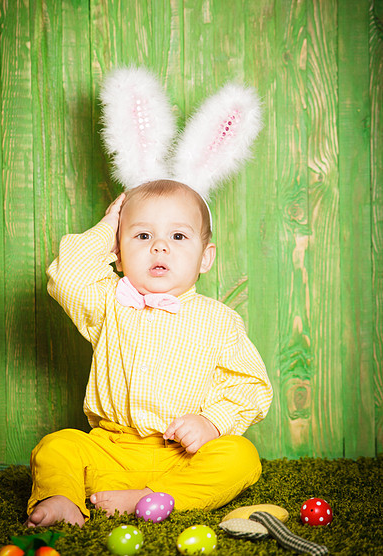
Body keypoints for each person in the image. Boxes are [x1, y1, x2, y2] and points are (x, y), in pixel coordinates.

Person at [26, 179, 273, 528]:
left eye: (178, 236)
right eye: (142, 236)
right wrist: (107, 228)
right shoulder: (107, 302)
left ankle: (152, 496)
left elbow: (251, 385)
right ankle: (63, 499)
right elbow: (68, 274)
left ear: (205, 257)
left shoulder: (220, 321)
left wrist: (211, 422)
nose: (159, 247)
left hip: (182, 458)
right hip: (111, 451)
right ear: (119, 254)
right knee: (57, 446)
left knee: (241, 458)